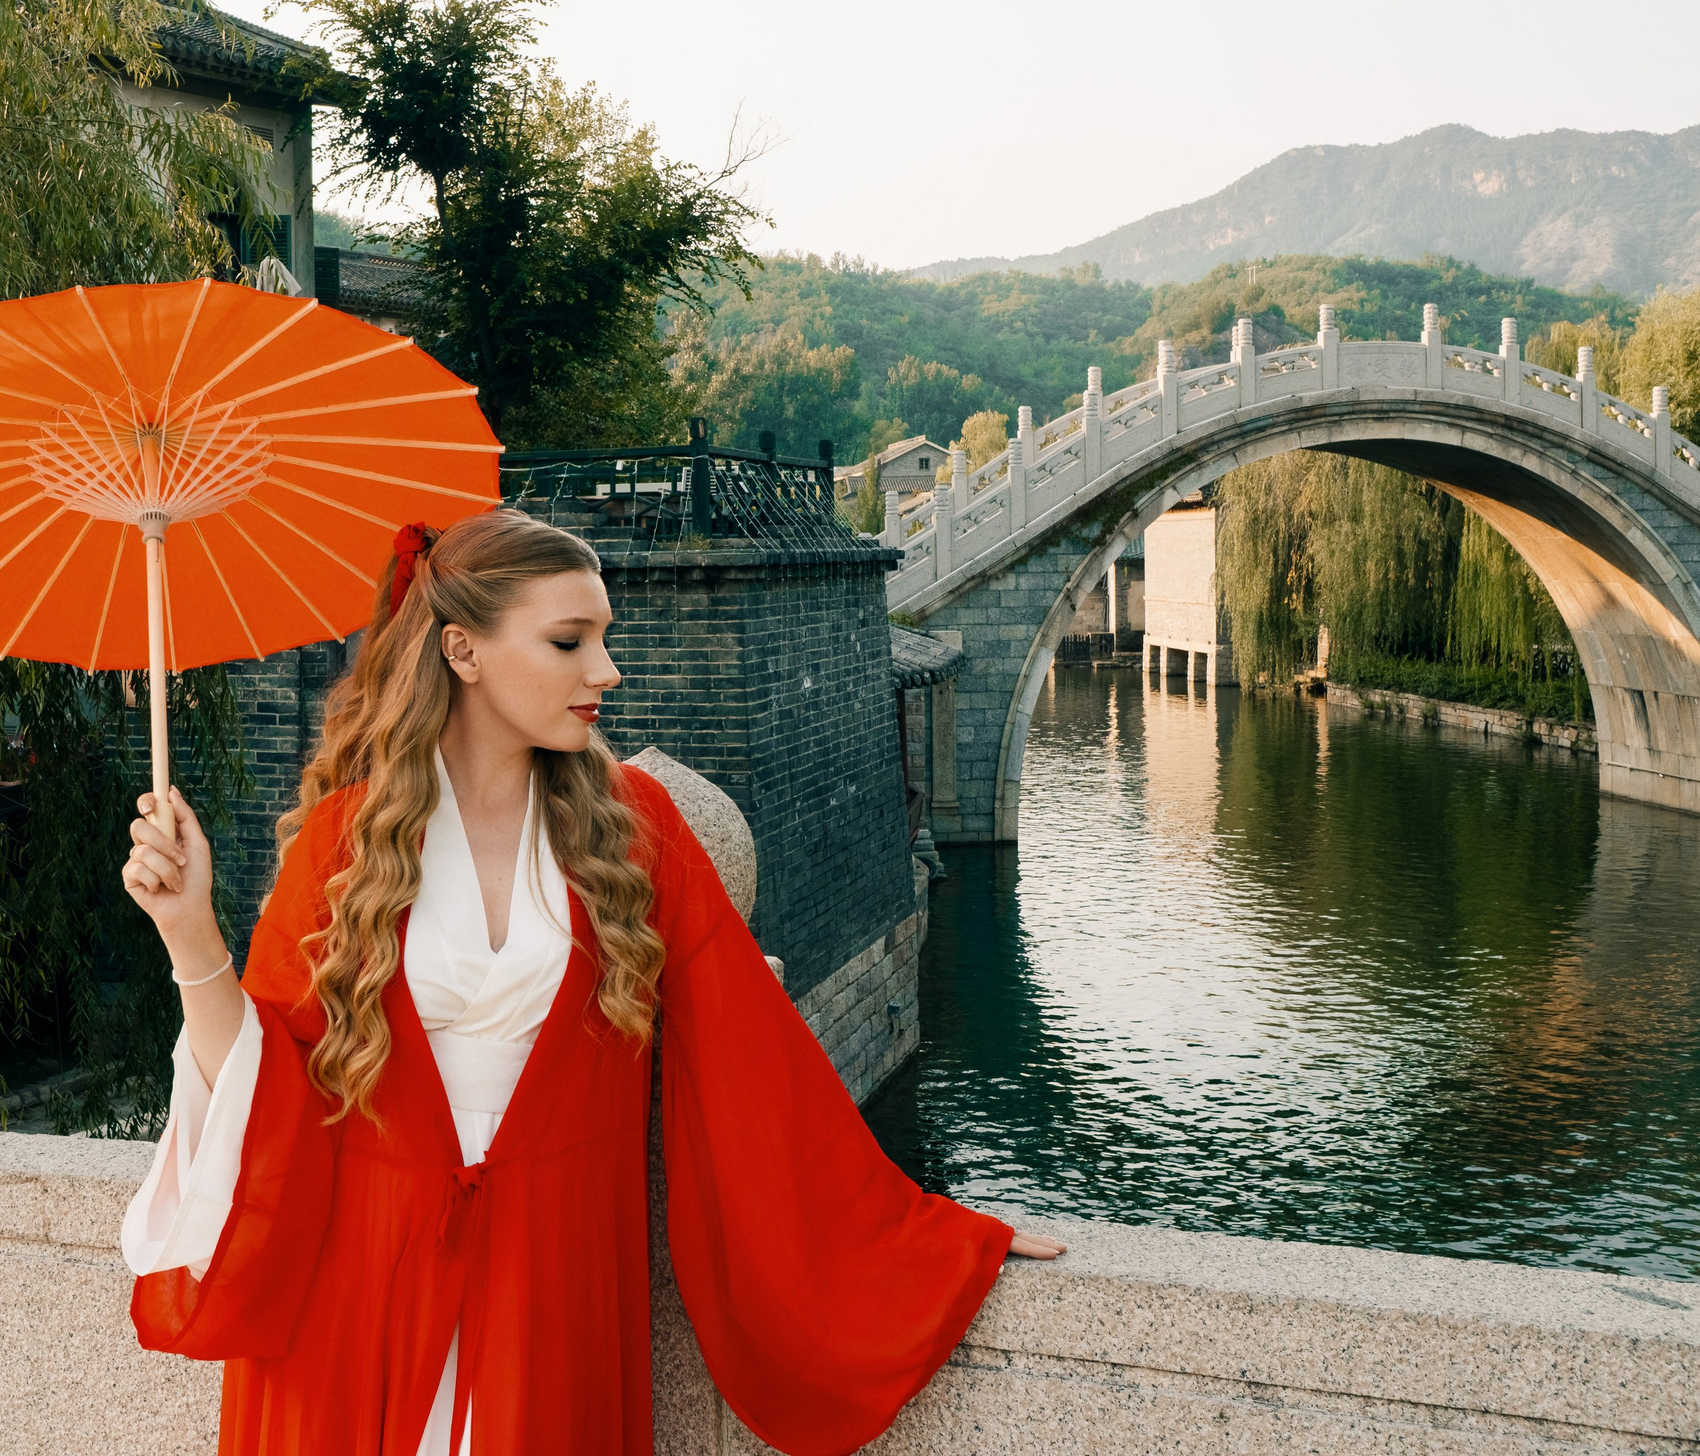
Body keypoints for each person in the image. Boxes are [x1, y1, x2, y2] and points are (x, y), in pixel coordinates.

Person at [118, 507, 1064, 1456]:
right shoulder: (344, 842)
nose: (605, 670)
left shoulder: (632, 831)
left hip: (555, 1286)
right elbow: (263, 1087)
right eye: (570, 640)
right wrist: (188, 926)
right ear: (464, 650)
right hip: (356, 1300)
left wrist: (927, 1239)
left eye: (603, 638)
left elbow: (754, 1058)